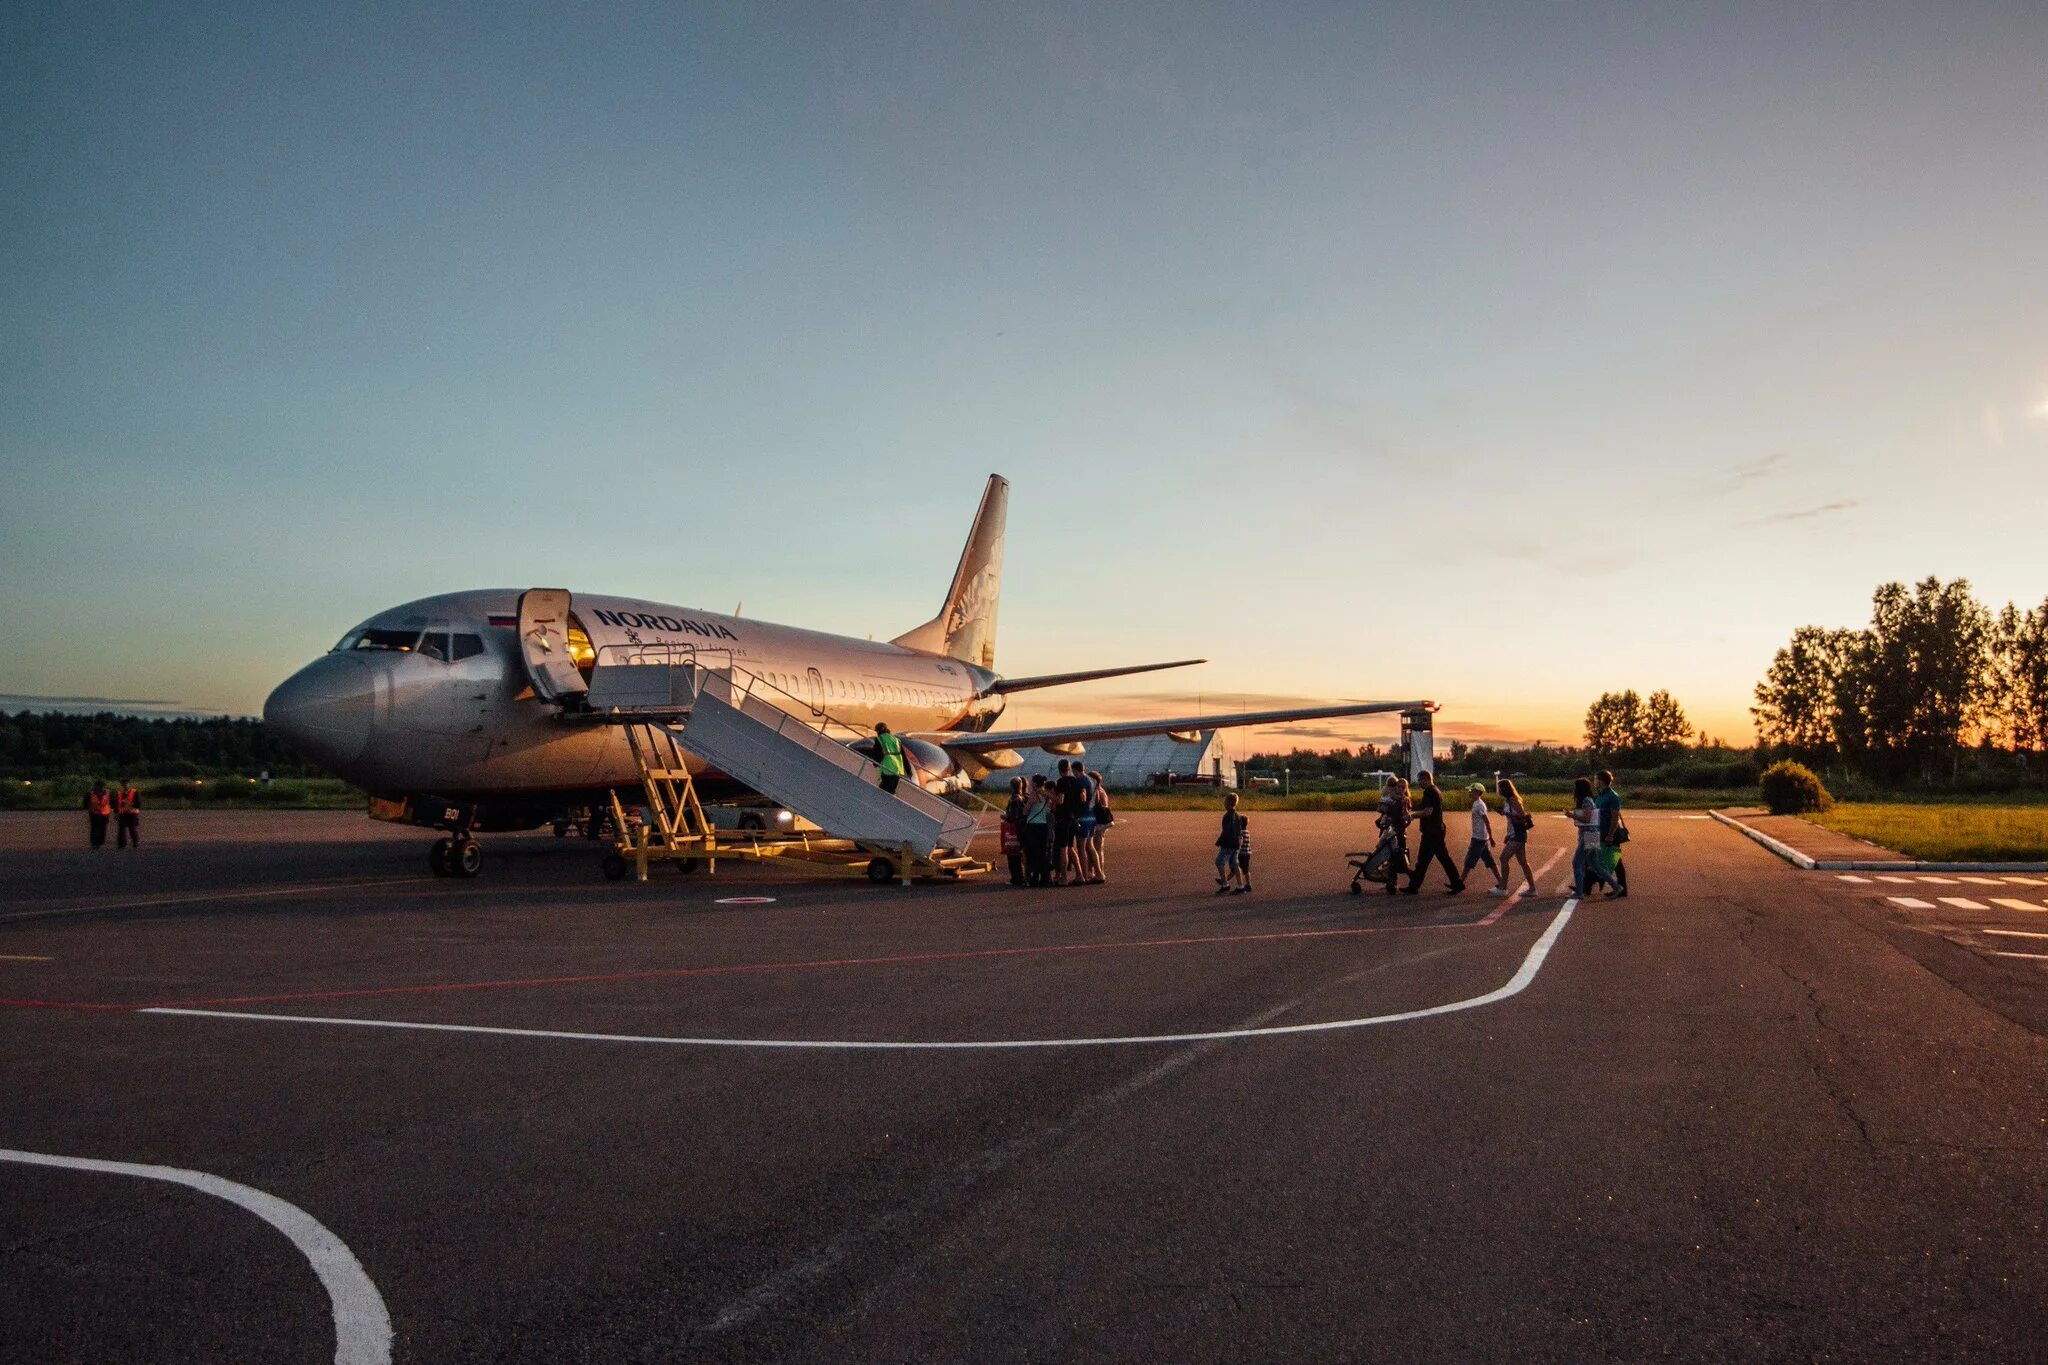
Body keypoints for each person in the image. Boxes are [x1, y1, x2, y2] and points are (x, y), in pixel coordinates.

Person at [1403, 770, 1465, 894]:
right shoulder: (1436, 790)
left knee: (1427, 860)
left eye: (1420, 780)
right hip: (1436, 830)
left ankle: (1414, 886)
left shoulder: (1429, 792)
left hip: (1432, 832)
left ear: (1426, 779)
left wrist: (1412, 816)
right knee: (1431, 859)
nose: (1419, 782)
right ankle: (1415, 885)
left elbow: (1428, 811)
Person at [1489, 777, 1540, 897]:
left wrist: (1506, 813)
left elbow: (1522, 816)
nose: (1499, 791)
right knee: (1522, 861)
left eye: (1500, 788)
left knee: (1503, 858)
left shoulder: (1513, 800)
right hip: (1515, 833)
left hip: (1518, 834)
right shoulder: (1509, 800)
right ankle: (1532, 888)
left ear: (1505, 789)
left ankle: (1503, 887)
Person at [1570, 776, 1617, 897]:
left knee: (1577, 863)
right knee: (1594, 864)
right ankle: (1616, 886)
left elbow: (1586, 818)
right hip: (1592, 834)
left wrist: (1572, 815)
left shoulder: (1586, 801)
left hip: (1589, 835)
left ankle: (1580, 892)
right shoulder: (1589, 799)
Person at [1371, 776, 1412, 895]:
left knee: (1397, 857)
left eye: (1402, 787)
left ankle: (1412, 879)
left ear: (1405, 789)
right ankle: (1390, 881)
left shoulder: (1404, 800)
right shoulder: (1391, 798)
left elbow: (1405, 814)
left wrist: (1406, 815)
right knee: (1388, 856)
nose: (1399, 789)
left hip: (1398, 831)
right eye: (1397, 786)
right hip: (1390, 829)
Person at [1595, 769, 1628, 898]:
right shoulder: (1600, 795)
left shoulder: (1612, 796)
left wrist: (1610, 834)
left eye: (1596, 779)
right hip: (1599, 831)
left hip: (1609, 833)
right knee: (1596, 857)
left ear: (1602, 781)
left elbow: (1615, 818)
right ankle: (1588, 883)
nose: (1595, 782)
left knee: (1615, 861)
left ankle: (1622, 888)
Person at [1460, 783, 1497, 884]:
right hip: (1482, 838)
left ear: (1477, 792)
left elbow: (1487, 822)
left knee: (1469, 862)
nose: (1469, 792)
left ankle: (1459, 883)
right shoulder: (1476, 803)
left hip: (1478, 839)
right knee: (1489, 861)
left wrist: (1491, 837)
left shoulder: (1480, 805)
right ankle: (1501, 880)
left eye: (1471, 791)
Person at [1022, 775, 1054, 886]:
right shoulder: (1046, 795)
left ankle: (1033, 877)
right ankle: (1045, 877)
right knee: (1042, 852)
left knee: (1032, 853)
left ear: (1035, 783)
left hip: (1032, 826)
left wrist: (1026, 806)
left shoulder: (1034, 795)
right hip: (1043, 825)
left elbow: (1025, 811)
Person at [1214, 792, 1246, 893]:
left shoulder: (1228, 816)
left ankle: (1225, 884)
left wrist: (1220, 841)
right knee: (1235, 864)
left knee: (1219, 862)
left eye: (1225, 801)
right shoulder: (1237, 815)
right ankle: (1240, 886)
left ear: (1229, 802)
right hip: (1236, 844)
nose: (1224, 803)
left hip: (1228, 844)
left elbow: (1227, 831)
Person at [1086, 770, 1113, 884]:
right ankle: (1095, 871)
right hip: (1103, 822)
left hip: (1099, 823)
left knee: (1095, 848)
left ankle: (1098, 872)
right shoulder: (1101, 790)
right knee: (1097, 847)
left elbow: (1096, 806)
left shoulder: (1096, 791)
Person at [1001, 776, 1027, 887]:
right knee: (1018, 854)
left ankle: (1016, 878)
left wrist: (1005, 817)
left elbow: (1013, 816)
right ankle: (1020, 877)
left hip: (1015, 828)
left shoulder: (1014, 799)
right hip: (1021, 828)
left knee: (1012, 855)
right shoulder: (1023, 797)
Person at [874, 723, 907, 794]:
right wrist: (908, 770)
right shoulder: (896, 740)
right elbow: (904, 756)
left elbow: (878, 753)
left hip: (887, 768)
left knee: (883, 790)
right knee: (892, 791)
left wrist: (875, 763)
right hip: (897, 770)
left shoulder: (879, 739)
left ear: (879, 731)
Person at [84, 780, 113, 850]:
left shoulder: (108, 793)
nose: (102, 788)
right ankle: (94, 843)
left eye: (103, 787)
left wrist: (113, 810)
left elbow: (112, 802)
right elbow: (86, 803)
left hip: (105, 814)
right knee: (95, 828)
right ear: (96, 787)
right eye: (100, 787)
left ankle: (100, 842)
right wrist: (89, 808)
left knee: (103, 828)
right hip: (94, 814)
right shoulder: (90, 793)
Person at [115, 779, 142, 850]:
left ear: (129, 784)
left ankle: (135, 843)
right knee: (121, 830)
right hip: (122, 814)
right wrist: (116, 813)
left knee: (132, 829)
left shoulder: (135, 792)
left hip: (132, 813)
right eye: (124, 784)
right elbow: (117, 804)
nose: (125, 785)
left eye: (126, 784)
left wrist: (133, 808)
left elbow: (138, 803)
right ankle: (121, 845)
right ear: (122, 785)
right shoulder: (119, 793)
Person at [1234, 812, 1253, 894]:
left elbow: (1240, 841)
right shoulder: (1247, 832)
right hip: (1248, 853)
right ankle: (1248, 884)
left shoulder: (1241, 832)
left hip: (1242, 853)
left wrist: (1237, 849)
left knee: (1236, 867)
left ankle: (1225, 881)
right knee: (1246, 869)